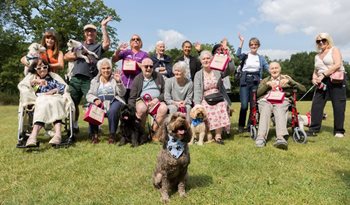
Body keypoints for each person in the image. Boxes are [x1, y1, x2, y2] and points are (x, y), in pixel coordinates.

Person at [64, 17, 112, 136]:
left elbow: (106, 44)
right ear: (85, 33)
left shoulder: (97, 46)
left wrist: (104, 27)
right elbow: (66, 56)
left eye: (92, 31)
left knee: (93, 103)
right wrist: (77, 55)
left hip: (90, 80)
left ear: (95, 33)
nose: (89, 33)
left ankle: (96, 127)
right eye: (87, 31)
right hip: (75, 78)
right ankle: (74, 126)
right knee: (72, 103)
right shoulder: (78, 45)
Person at [18, 59, 74, 147]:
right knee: (43, 103)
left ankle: (58, 135)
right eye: (39, 68)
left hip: (55, 97)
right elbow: (24, 87)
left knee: (55, 102)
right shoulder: (32, 78)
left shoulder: (53, 76)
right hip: (40, 99)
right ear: (35, 69)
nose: (42, 69)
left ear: (48, 68)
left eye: (45, 67)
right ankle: (33, 136)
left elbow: (64, 87)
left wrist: (54, 90)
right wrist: (34, 82)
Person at [255, 62, 306, 149]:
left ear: (280, 69)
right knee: (266, 108)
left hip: (282, 100)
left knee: (279, 107)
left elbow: (303, 89)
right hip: (266, 100)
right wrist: (267, 86)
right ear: (269, 70)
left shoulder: (286, 78)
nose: (274, 70)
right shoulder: (265, 80)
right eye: (272, 68)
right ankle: (261, 137)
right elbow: (257, 94)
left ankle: (280, 138)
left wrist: (290, 81)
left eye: (276, 68)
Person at [307, 33, 347, 138]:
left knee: (338, 105)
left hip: (336, 79)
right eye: (318, 41)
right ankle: (313, 129)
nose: (321, 42)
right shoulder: (316, 56)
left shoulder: (334, 50)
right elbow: (316, 70)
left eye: (323, 40)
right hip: (321, 81)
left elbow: (338, 64)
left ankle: (339, 130)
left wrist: (324, 74)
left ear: (328, 40)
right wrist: (314, 78)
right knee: (316, 104)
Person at [193, 50, 232, 145]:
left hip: (218, 95)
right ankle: (207, 132)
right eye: (204, 59)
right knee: (204, 107)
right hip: (205, 97)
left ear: (212, 59)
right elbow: (197, 90)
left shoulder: (217, 70)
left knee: (222, 105)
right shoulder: (198, 74)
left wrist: (229, 61)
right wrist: (197, 103)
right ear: (201, 61)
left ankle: (218, 135)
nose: (206, 60)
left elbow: (229, 70)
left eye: (208, 58)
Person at [86, 58, 126, 144]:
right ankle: (95, 134)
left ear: (111, 69)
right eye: (103, 68)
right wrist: (95, 99)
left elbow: (122, 93)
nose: (106, 70)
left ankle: (112, 134)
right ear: (100, 69)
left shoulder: (114, 79)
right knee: (91, 107)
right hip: (100, 103)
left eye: (108, 68)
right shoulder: (95, 81)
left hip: (114, 101)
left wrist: (119, 82)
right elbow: (89, 95)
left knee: (113, 110)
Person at [236, 34, 269, 133]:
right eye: (251, 45)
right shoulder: (246, 56)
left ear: (258, 46)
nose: (253, 46)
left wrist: (276, 72)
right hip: (245, 81)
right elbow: (237, 55)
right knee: (244, 105)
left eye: (255, 44)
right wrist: (241, 42)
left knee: (253, 106)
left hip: (256, 82)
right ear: (249, 46)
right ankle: (241, 125)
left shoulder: (261, 58)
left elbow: (267, 67)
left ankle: (250, 125)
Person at [128, 58, 168, 138]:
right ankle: (142, 133)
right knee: (141, 108)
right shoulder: (137, 78)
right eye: (146, 66)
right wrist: (131, 109)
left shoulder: (159, 76)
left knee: (164, 108)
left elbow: (165, 92)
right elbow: (132, 96)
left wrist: (158, 99)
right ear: (142, 67)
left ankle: (153, 132)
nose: (148, 68)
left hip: (157, 101)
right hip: (142, 101)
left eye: (151, 66)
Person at [112, 34, 148, 101]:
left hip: (135, 83)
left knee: (132, 105)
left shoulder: (144, 54)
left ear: (140, 43)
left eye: (138, 39)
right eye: (133, 39)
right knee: (122, 104)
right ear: (130, 43)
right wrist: (118, 50)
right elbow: (113, 60)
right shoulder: (125, 52)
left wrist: (134, 63)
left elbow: (145, 67)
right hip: (123, 83)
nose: (135, 40)